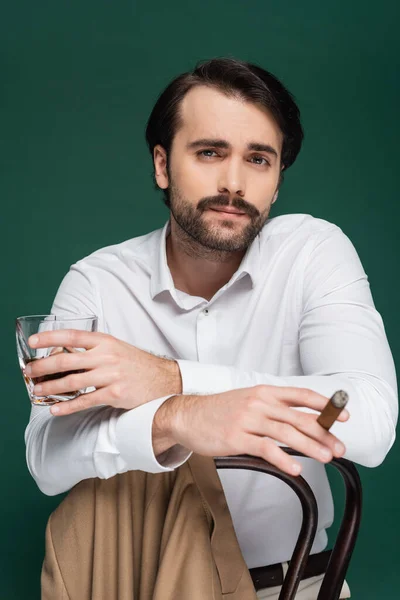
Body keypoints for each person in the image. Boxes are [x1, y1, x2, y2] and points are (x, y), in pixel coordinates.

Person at [24, 57, 397, 599]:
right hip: (139, 584)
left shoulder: (314, 252)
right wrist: (177, 419)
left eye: (259, 160)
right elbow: (47, 460)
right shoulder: (98, 283)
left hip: (294, 586)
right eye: (209, 153)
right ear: (162, 165)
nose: (234, 182)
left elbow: (367, 414)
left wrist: (171, 379)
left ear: (276, 183)